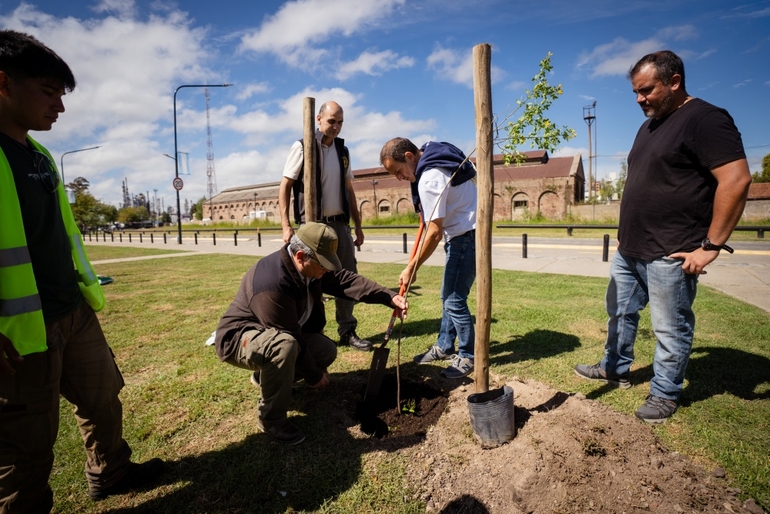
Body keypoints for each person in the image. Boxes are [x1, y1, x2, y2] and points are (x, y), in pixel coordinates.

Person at [0, 30, 164, 512]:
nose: (60, 108)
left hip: (71, 310)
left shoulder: (40, 155)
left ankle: (111, 472)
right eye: (49, 92)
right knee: (25, 445)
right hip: (20, 332)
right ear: (4, 83)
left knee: (102, 399)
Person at [574, 50, 752, 424]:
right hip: (631, 248)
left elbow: (736, 181)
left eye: (646, 90)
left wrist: (711, 247)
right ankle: (614, 368)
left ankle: (665, 392)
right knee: (619, 314)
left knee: (670, 328)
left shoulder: (705, 119)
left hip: (671, 251)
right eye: (635, 92)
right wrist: (625, 235)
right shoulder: (650, 126)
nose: (639, 99)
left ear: (674, 82)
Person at [214, 222, 407, 445]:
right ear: (299, 256)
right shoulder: (272, 284)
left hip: (277, 334)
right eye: (323, 265)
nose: (327, 270)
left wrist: (388, 296)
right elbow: (290, 336)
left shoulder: (311, 268)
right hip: (240, 338)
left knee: (325, 350)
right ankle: (271, 419)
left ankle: (265, 378)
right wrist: (314, 377)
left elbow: (346, 280)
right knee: (283, 347)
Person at [380, 138, 477, 380]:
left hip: (464, 236)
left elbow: (433, 233)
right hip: (462, 233)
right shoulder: (432, 158)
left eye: (398, 171)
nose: (399, 178)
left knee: (454, 300)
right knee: (448, 295)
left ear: (411, 156)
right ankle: (444, 346)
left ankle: (468, 355)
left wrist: (411, 267)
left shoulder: (430, 178)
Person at [279, 101, 371, 351]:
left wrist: (358, 227)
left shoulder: (343, 150)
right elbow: (285, 186)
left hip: (340, 224)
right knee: (312, 280)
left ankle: (347, 330)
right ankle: (313, 333)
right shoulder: (302, 147)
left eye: (340, 122)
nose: (336, 126)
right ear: (318, 119)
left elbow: (349, 190)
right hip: (312, 227)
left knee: (347, 276)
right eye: (332, 121)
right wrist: (286, 225)